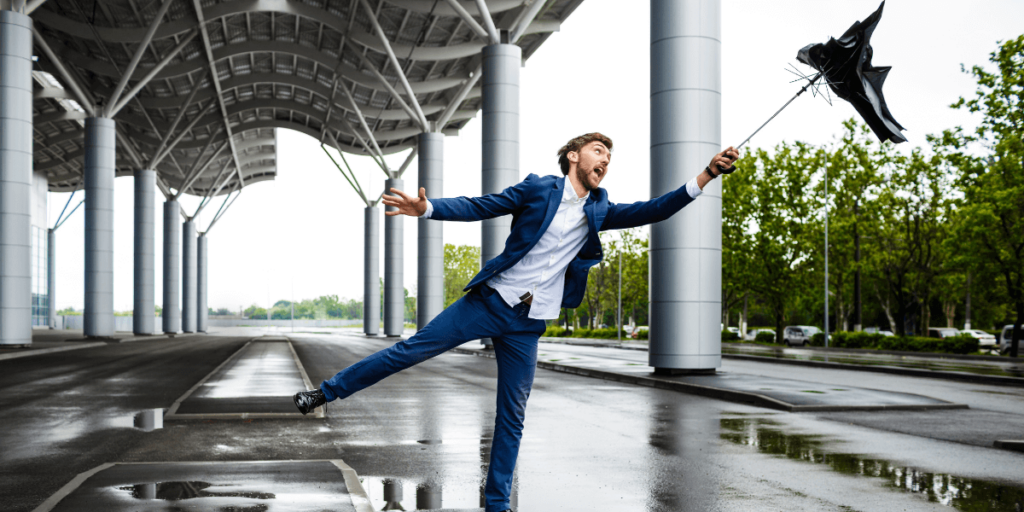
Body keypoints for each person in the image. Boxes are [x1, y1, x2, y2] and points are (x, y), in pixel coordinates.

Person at [294, 133, 738, 512]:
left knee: (513, 415)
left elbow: (656, 209)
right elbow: (480, 205)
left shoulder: (600, 208)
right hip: (489, 302)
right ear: (573, 156)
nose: (605, 159)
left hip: (528, 323)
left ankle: (497, 504)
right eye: (599, 150)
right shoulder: (538, 189)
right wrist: (427, 210)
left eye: (610, 156)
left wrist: (708, 174)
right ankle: (325, 392)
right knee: (407, 352)